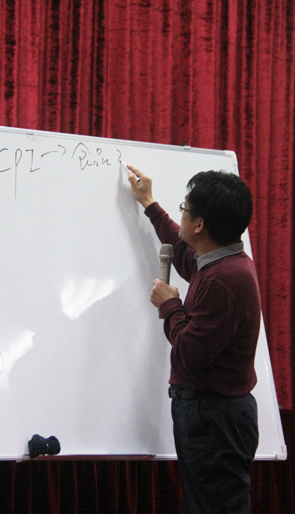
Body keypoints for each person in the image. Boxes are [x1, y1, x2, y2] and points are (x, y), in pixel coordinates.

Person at [126, 165, 261, 514]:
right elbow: (183, 251)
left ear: (200, 225)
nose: (182, 214)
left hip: (214, 418)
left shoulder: (223, 278)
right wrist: (150, 204)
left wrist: (169, 304)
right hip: (212, 414)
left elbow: (190, 352)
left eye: (185, 209)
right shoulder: (219, 261)